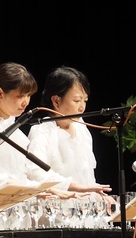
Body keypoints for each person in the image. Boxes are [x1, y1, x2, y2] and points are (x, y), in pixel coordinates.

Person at [0, 62, 106, 200]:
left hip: (9, 212)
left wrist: (49, 190)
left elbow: (21, 175)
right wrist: (31, 188)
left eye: (28, 95)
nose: (26, 102)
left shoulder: (12, 128)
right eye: (20, 96)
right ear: (0, 93)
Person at [27, 66, 111, 195]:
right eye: (76, 100)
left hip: (84, 205)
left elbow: (87, 173)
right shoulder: (42, 130)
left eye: (85, 100)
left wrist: (98, 195)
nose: (82, 107)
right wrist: (75, 187)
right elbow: (35, 173)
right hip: (56, 207)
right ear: (56, 101)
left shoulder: (80, 126)